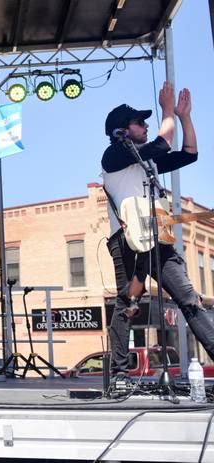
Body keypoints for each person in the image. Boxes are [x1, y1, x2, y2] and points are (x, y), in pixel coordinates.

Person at [101, 82, 214, 383]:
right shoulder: (113, 156)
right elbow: (164, 143)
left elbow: (189, 154)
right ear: (122, 131)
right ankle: (120, 376)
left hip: (157, 241)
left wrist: (184, 117)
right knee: (128, 303)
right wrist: (168, 111)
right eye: (140, 122)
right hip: (128, 242)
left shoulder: (146, 159)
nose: (146, 125)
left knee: (190, 299)